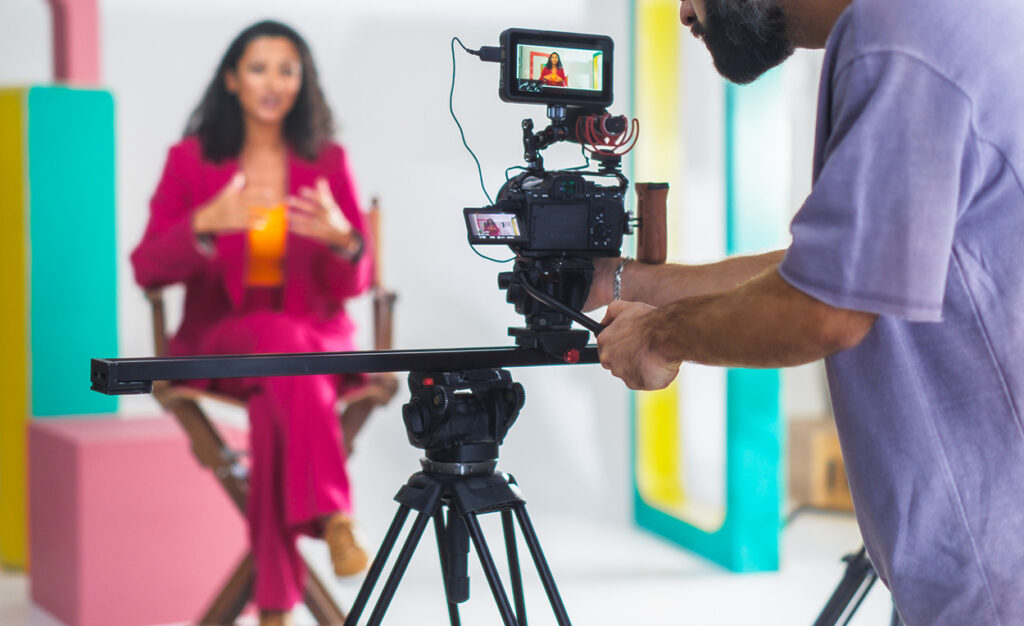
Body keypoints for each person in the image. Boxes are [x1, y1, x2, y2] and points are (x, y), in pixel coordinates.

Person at [591, 0, 1024, 623]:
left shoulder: (894, 34)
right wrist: (634, 284)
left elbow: (824, 308)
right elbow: (844, 266)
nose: (685, 10)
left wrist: (657, 336)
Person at [131, 20, 374, 626]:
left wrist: (346, 242)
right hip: (223, 341)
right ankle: (333, 514)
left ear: (303, 81)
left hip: (309, 351)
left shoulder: (327, 161)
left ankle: (274, 611)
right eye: (260, 67)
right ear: (233, 79)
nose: (274, 82)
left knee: (277, 407)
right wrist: (202, 226)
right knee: (280, 348)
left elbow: (354, 282)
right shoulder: (189, 163)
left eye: (287, 69)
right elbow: (146, 267)